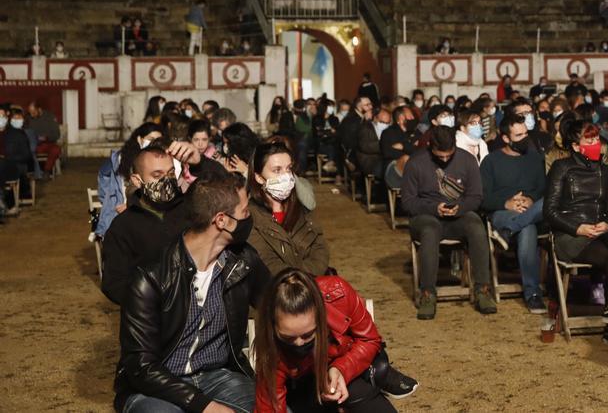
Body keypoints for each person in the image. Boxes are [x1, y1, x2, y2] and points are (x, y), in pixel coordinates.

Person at [113, 172, 268, 413]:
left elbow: (278, 305)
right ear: (221, 220)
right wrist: (205, 406)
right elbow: (140, 367)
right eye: (245, 212)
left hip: (218, 376)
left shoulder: (243, 261)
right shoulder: (150, 275)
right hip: (157, 386)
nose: (250, 218)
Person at [253, 269, 417, 413]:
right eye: (288, 337)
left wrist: (340, 370)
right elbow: (269, 405)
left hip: (345, 366)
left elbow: (369, 339)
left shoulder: (338, 292)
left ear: (320, 314)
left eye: (308, 335)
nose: (299, 343)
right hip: (301, 386)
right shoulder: (269, 348)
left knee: (361, 396)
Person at [101, 140, 222, 306]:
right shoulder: (123, 226)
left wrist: (200, 163)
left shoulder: (193, 208)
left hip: (200, 309)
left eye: (171, 173)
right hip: (151, 321)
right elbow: (113, 283)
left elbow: (229, 191)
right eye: (157, 176)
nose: (166, 180)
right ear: (137, 180)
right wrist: (151, 300)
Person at [546, 119, 608, 345]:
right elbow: (550, 211)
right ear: (575, 146)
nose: (595, 143)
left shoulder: (606, 170)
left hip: (600, 229)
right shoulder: (561, 168)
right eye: (588, 139)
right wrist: (577, 227)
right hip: (570, 234)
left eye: (596, 138)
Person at [399, 126, 495, 319]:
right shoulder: (416, 163)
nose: (444, 160)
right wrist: (434, 208)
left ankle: (482, 289)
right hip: (425, 215)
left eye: (448, 156)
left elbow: (476, 196)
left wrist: (461, 207)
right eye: (439, 156)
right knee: (430, 230)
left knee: (476, 225)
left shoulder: (467, 160)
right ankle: (427, 293)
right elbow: (408, 202)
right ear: (430, 148)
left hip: (458, 214)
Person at [480, 113, 547, 313]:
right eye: (518, 136)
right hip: (502, 212)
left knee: (539, 212)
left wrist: (530, 199)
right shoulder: (491, 161)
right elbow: (482, 198)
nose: (525, 139)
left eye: (526, 133)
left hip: (531, 210)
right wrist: (506, 203)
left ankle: (508, 232)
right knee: (529, 227)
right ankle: (533, 293)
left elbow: (543, 190)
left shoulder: (535, 158)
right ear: (506, 138)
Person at [246, 140, 329, 277]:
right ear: (259, 178)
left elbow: (320, 249)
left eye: (288, 168)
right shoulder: (250, 216)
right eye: (277, 170)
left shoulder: (300, 208)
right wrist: (297, 279)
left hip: (310, 283)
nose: (286, 176)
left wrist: (305, 277)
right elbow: (267, 261)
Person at [95, 123, 164, 239]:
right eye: (150, 139)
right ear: (139, 139)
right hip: (122, 213)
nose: (154, 143)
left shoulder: (163, 160)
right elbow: (104, 174)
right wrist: (110, 200)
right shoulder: (122, 158)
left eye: (158, 140)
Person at [25, 100, 60, 175]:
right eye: (30, 112)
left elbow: (56, 134)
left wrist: (46, 138)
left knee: (56, 150)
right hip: (34, 145)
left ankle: (47, 171)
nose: (31, 114)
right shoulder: (28, 119)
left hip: (48, 143)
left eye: (33, 112)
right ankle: (32, 171)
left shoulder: (50, 117)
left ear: (39, 109)